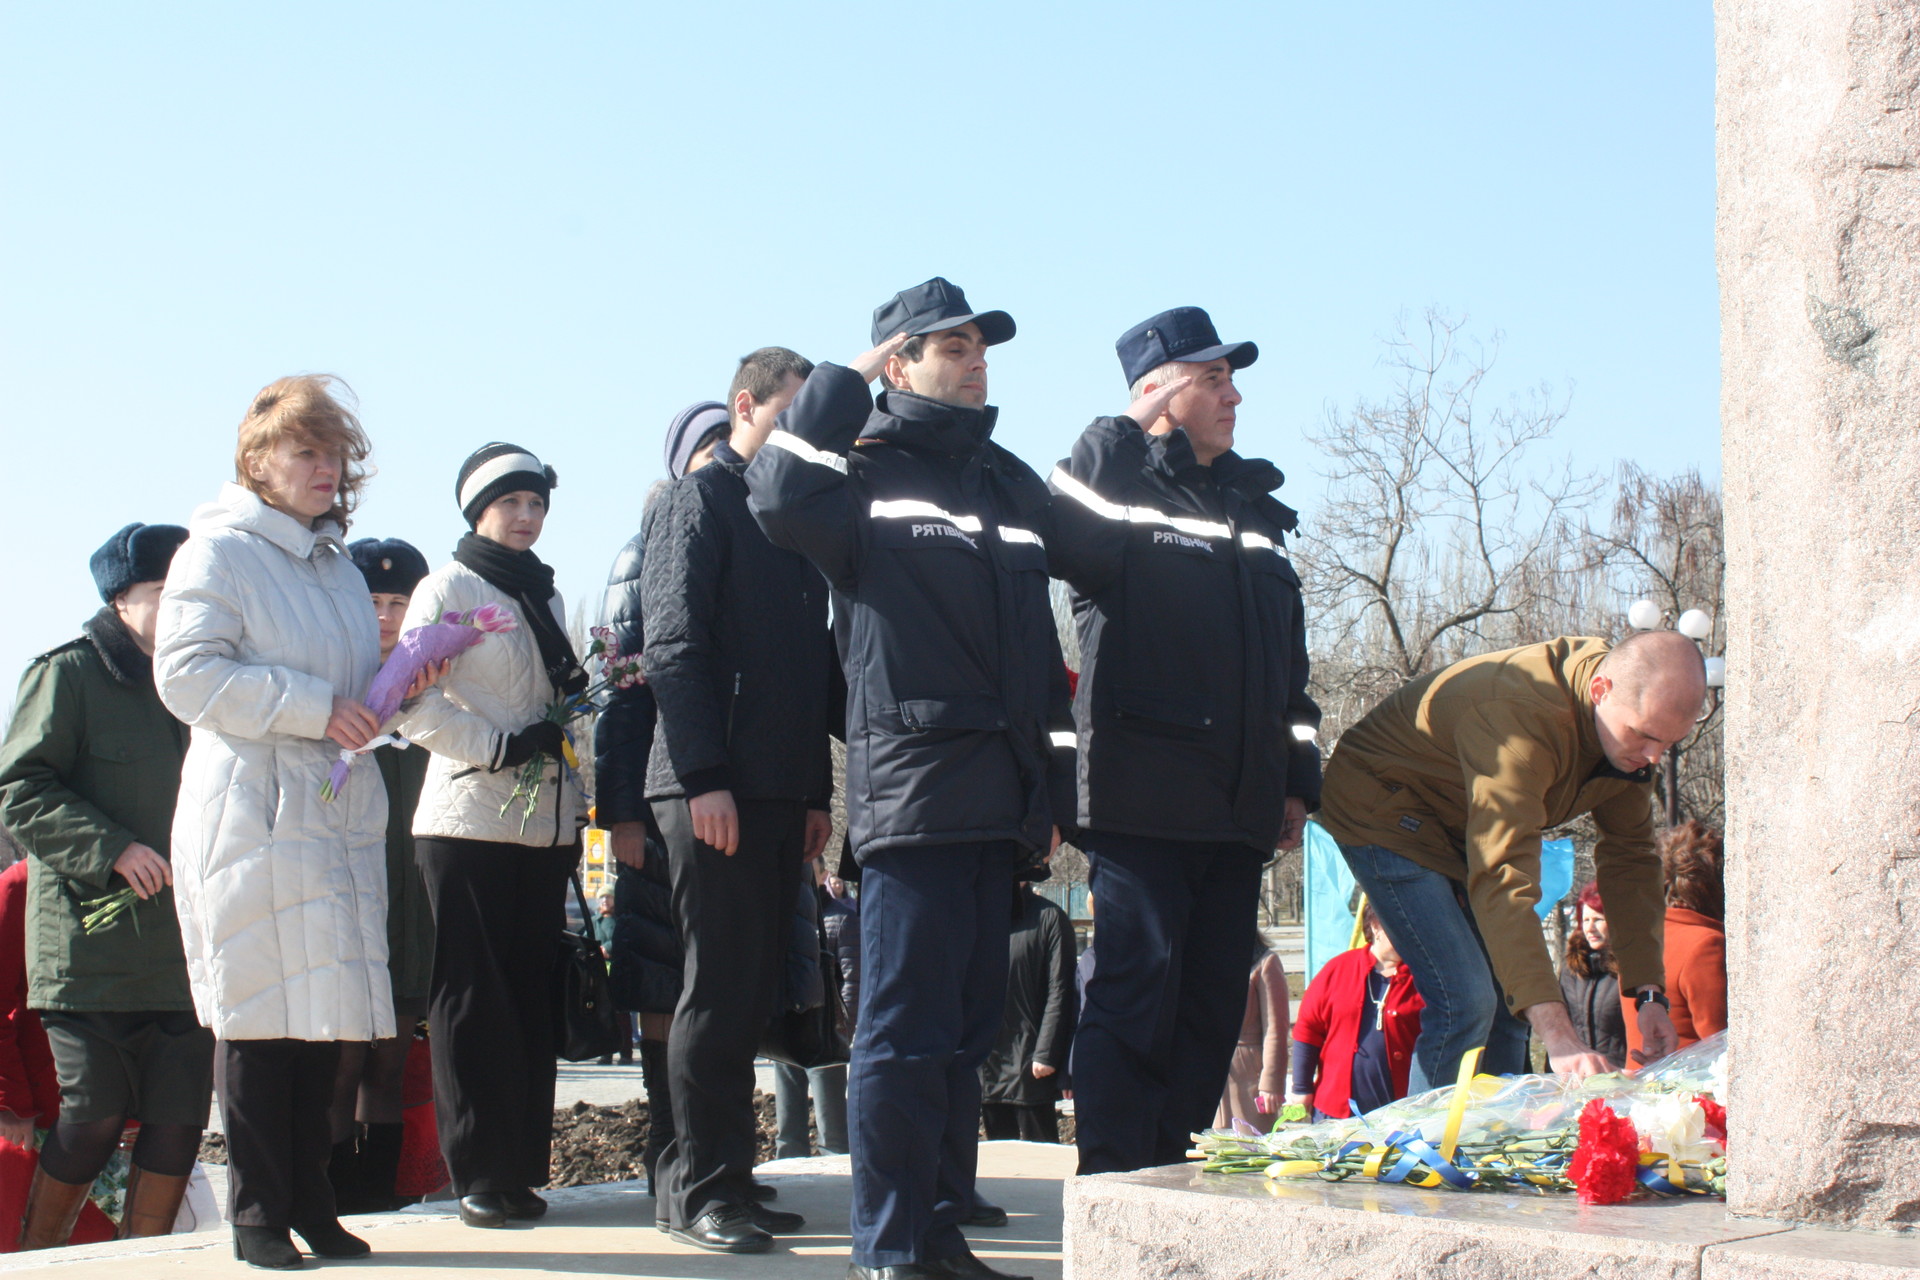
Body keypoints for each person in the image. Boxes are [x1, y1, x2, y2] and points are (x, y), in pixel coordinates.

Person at [747, 277, 1074, 1280]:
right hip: (918, 794)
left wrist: (1053, 793)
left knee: (968, 1028)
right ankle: (885, 1241)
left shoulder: (1001, 483)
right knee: (902, 1027)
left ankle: (935, 1227)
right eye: (950, 346)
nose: (975, 360)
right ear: (897, 362)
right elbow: (773, 491)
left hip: (1002, 802)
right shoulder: (860, 475)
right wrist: (848, 379)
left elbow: (1038, 652)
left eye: (982, 346)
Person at [1047, 306, 1320, 1175]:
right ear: (1160, 390)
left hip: (1237, 813)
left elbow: (1292, 676)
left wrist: (1296, 778)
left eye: (1233, 378)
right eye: (1213, 378)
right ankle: (1113, 1183)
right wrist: (1128, 423)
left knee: (1208, 1013)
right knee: (1135, 1001)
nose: (1234, 394)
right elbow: (1062, 524)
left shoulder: (1257, 511)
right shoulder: (1119, 493)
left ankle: (1163, 1176)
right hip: (1143, 805)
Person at [155, 376, 412, 1269]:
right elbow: (185, 676)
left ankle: (313, 1199)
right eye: (305, 451)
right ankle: (258, 1212)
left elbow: (349, 690)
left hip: (332, 811)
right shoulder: (217, 552)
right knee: (263, 1020)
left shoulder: (338, 567)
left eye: (334, 453)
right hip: (254, 811)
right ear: (258, 461)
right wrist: (312, 707)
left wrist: (386, 702)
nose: (324, 468)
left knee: (328, 1024)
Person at [1317, 632, 1703, 1092]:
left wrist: (1648, 993)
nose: (1653, 757)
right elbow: (1504, 877)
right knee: (1467, 999)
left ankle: (1498, 1145)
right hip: (1381, 805)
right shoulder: (1522, 717)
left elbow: (1630, 859)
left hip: (1458, 821)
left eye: (1669, 743)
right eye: (1643, 735)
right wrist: (1559, 1038)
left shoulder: (1628, 735)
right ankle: (1421, 1151)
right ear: (1601, 690)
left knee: (1510, 1005)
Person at [641, 346, 834, 1254]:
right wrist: (706, 775)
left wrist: (814, 792)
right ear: (748, 408)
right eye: (792, 413)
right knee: (714, 989)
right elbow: (674, 647)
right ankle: (696, 1190)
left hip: (773, 788)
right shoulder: (696, 500)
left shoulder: (785, 518)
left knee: (753, 991)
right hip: (707, 786)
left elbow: (810, 667)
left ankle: (732, 1178)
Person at [394, 443, 585, 1231]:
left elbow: (569, 705)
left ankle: (517, 1170)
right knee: (474, 999)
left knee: (529, 1001)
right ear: (478, 509)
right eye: (512, 503)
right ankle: (476, 1170)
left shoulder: (544, 594)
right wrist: (502, 747)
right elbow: (407, 699)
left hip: (542, 827)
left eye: (537, 504)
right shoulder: (450, 587)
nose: (527, 518)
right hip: (469, 820)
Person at [0, 522, 208, 1248]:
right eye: (163, 592)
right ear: (122, 600)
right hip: (89, 951)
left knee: (181, 1121)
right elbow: (20, 789)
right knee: (89, 1119)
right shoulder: (69, 673)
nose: (182, 605)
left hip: (185, 952)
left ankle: (140, 1260)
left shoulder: (203, 679)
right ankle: (36, 1258)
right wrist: (112, 848)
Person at [314, 536, 436, 1217]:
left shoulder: (432, 689)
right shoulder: (328, 682)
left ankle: (377, 1207)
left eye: (399, 604)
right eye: (371, 603)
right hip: (345, 900)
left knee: (389, 1064)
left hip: (411, 907)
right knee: (341, 1065)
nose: (386, 618)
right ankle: (326, 1203)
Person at [1287, 908, 1423, 1120]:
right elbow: (1308, 1030)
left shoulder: (1424, 979)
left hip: (1401, 1113)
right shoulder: (1337, 969)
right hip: (1335, 1111)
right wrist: (1301, 1088)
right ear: (1375, 926)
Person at [1621, 821, 1727, 1061]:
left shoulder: (1642, 940)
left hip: (1644, 1082)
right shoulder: (1706, 944)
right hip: (1690, 1090)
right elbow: (1721, 1043)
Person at [979, 884, 1075, 1144]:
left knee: (1040, 1151)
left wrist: (1046, 1052)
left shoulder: (1049, 918)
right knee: (998, 1158)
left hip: (1030, 1061)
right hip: (988, 1059)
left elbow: (1061, 989)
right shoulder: (980, 915)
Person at [771, 862, 850, 1161]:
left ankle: (835, 1154)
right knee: (787, 1080)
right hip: (789, 1005)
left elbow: (851, 976)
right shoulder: (783, 903)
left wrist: (847, 1022)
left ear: (823, 874)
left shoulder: (840, 917)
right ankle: (789, 1154)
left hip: (821, 1012)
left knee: (826, 1089)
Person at [1212, 933, 1290, 1131]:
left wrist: (1271, 1083)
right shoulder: (1204, 956)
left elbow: (1276, 1028)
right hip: (1206, 1072)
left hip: (1248, 1076)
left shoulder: (1264, 961)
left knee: (1250, 1150)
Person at [1560, 882, 1627, 1072]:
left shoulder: (1631, 970)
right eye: (1585, 920)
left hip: (1622, 1077)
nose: (1589, 928)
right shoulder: (1571, 968)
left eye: (1597, 919)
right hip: (1578, 1078)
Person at [589, 892, 633, 1067]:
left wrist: (606, 948)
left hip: (617, 972)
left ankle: (625, 1052)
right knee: (602, 1014)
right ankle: (605, 1053)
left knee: (620, 1015)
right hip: (598, 972)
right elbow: (585, 935)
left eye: (609, 897)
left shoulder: (619, 919)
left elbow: (621, 939)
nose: (605, 901)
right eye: (602, 897)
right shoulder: (594, 920)